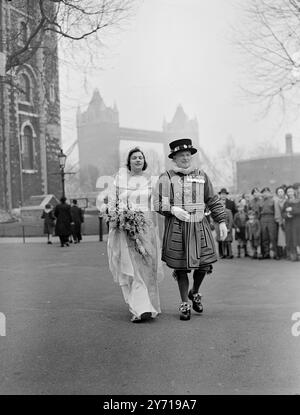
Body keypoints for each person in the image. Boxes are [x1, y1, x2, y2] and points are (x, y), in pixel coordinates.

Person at [154, 138, 227, 321]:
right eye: (181, 155)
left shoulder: (202, 175)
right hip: (177, 226)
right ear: (174, 158)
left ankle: (195, 291)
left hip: (199, 225)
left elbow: (213, 199)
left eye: (188, 155)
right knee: (181, 267)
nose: (185, 158)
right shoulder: (166, 178)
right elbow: (156, 203)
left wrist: (222, 221)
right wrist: (172, 209)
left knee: (204, 264)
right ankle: (184, 302)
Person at [106, 147, 163, 323]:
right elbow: (112, 203)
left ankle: (149, 305)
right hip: (126, 228)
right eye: (134, 158)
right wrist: (120, 217)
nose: (138, 160)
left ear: (144, 161)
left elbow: (158, 203)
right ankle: (139, 308)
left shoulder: (151, 180)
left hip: (146, 227)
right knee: (132, 267)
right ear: (129, 161)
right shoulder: (119, 179)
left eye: (140, 157)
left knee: (146, 266)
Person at [282, 185, 300, 261]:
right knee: (290, 238)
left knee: (297, 237)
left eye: (291, 191)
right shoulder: (286, 202)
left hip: (297, 222)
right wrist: (287, 215)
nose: (290, 193)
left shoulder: (298, 200)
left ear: (294, 192)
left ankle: (298, 254)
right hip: (289, 223)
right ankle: (292, 255)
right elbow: (282, 213)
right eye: (288, 191)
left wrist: (292, 209)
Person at [259, 187, 278, 259]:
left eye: (267, 192)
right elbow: (259, 211)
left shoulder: (273, 200)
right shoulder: (260, 201)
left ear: (269, 193)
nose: (265, 193)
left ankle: (276, 253)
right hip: (263, 219)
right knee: (264, 237)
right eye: (264, 192)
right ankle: (266, 253)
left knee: (273, 237)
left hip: (271, 218)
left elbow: (276, 210)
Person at [274, 186, 287, 259]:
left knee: (288, 236)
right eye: (279, 192)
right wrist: (279, 221)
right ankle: (281, 252)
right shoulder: (276, 201)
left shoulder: (287, 200)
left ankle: (288, 251)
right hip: (281, 221)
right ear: (277, 193)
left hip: (288, 220)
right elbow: (277, 212)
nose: (280, 193)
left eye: (281, 191)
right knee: (281, 237)